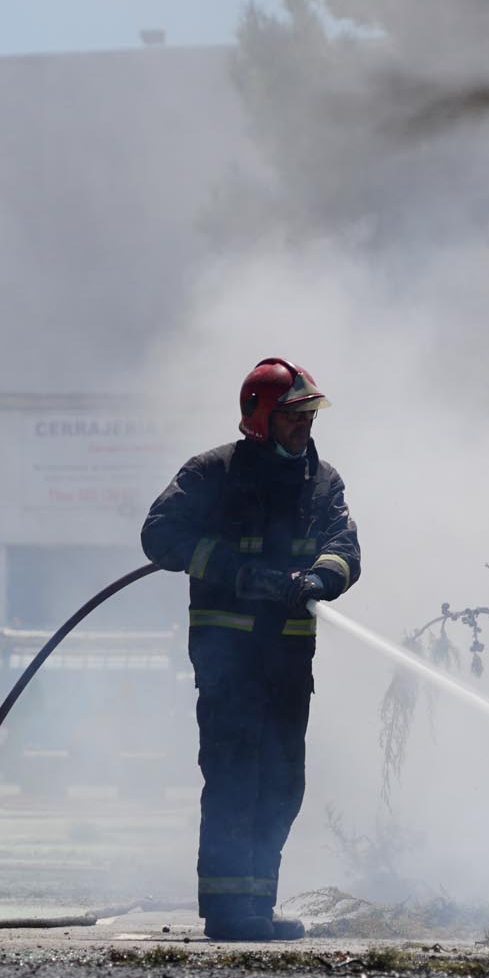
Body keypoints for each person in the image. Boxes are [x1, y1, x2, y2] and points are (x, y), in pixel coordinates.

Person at [141, 358, 361, 941]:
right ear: (260, 417)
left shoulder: (322, 480)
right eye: (294, 415)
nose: (306, 426)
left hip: (289, 664)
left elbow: (345, 548)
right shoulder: (214, 472)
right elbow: (159, 534)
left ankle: (256, 908)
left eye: (310, 414)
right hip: (228, 660)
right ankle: (226, 913)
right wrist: (241, 574)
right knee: (235, 776)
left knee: (283, 783)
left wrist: (320, 579)